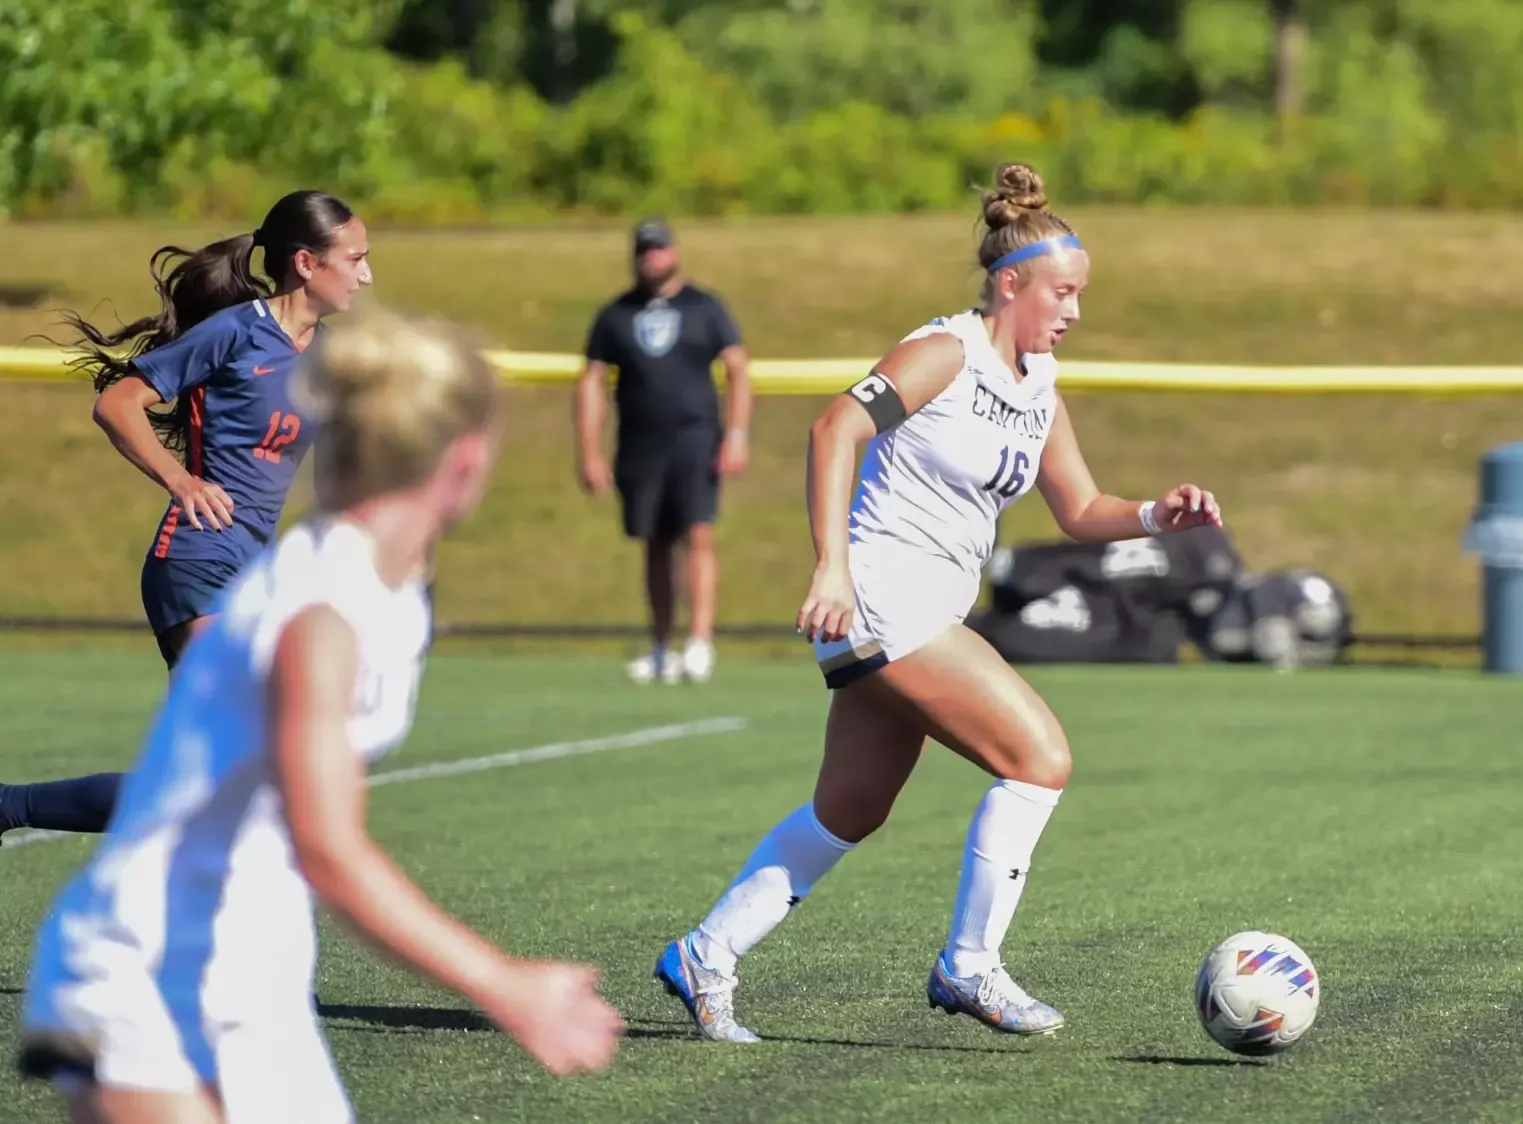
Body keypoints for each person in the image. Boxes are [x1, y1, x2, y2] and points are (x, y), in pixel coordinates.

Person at [650, 163, 1222, 1043]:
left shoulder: (1040, 388)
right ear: (1010, 285)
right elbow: (833, 427)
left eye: (1080, 295)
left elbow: (1077, 509)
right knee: (1039, 758)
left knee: (850, 809)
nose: (1074, 311)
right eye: (1062, 293)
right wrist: (830, 568)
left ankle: (705, 954)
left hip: (917, 614)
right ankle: (971, 966)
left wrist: (1154, 515)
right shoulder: (945, 351)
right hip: (881, 595)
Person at [16, 307, 625, 1124]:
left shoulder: (384, 580)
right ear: (466, 458)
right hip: (144, 978)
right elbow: (328, 849)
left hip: (244, 977)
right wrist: (503, 983)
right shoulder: (321, 613)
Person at [0, 190, 373, 845]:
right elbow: (118, 403)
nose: (367, 274)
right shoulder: (236, 331)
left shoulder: (329, 355)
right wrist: (180, 480)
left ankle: (9, 806)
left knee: (194, 792)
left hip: (251, 574)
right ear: (308, 264)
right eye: (357, 258)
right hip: (196, 560)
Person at [574, 216, 753, 686]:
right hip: (639, 443)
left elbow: (737, 368)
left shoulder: (705, 307)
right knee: (653, 544)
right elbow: (591, 380)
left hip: (695, 439)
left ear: (674, 251)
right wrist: (589, 451)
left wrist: (736, 435)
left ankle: (699, 643)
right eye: (644, 250)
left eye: (659, 249)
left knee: (698, 534)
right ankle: (660, 647)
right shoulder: (616, 314)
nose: (652, 258)